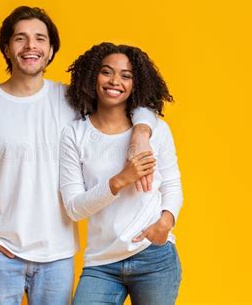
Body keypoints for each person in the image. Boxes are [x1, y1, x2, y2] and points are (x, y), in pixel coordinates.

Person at [0, 6, 158, 305]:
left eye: (40, 39)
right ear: (7, 47)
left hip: (58, 258)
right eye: (20, 38)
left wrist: (141, 132)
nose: (31, 46)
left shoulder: (72, 99)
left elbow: (132, 100)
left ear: (51, 48)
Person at [60, 42, 183, 304]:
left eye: (126, 75)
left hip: (154, 257)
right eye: (106, 72)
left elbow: (172, 184)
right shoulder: (75, 134)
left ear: (136, 84)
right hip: (101, 264)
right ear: (93, 76)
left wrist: (166, 222)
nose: (115, 81)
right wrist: (119, 181)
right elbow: (73, 208)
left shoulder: (155, 130)